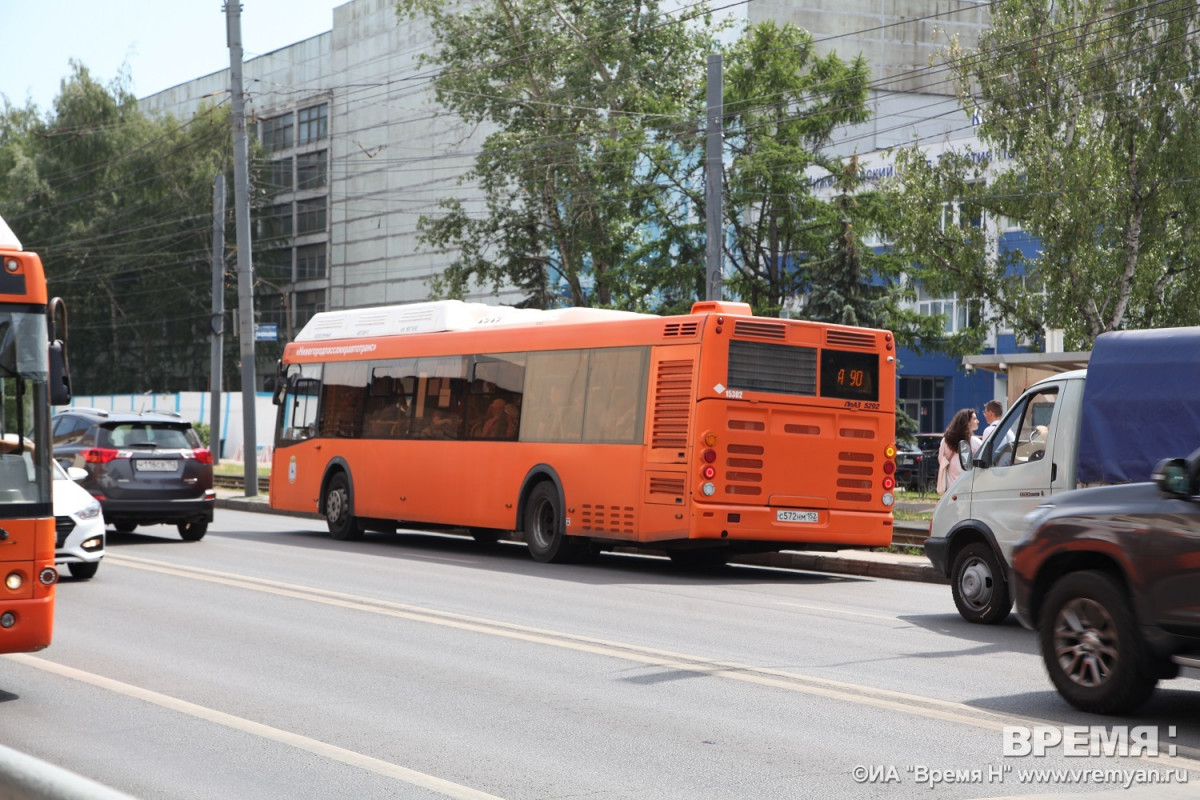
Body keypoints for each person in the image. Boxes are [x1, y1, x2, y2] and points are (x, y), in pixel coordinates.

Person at [936, 408, 983, 494]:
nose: (978, 421)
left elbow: (940, 459)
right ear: (967, 422)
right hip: (968, 487)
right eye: (974, 419)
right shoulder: (974, 442)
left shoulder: (946, 441)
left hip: (950, 488)